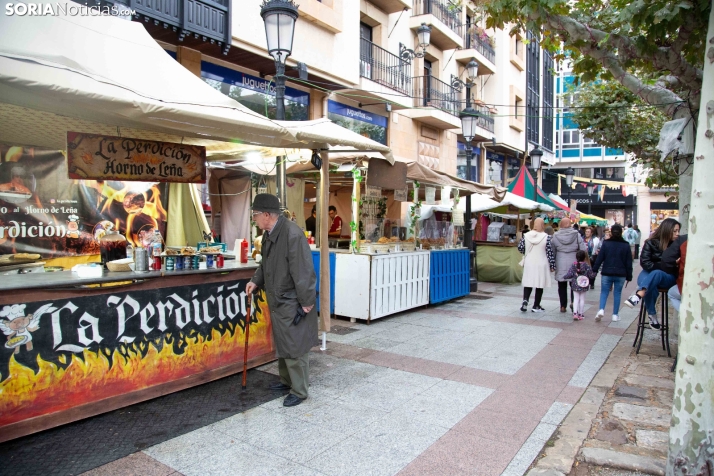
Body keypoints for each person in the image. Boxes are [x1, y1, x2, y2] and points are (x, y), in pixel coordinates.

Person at [245, 194, 317, 407]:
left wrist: (306, 302)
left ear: (267, 215)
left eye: (255, 215)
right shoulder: (269, 233)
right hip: (279, 298)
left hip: (292, 300)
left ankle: (300, 390)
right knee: (283, 341)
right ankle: (286, 381)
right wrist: (255, 280)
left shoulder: (292, 234)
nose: (254, 219)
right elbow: (266, 263)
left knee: (295, 346)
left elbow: (303, 271)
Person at [624, 218, 681, 330]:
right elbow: (645, 263)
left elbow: (676, 267)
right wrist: (666, 264)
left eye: (678, 231)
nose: (677, 234)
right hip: (649, 273)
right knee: (650, 282)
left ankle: (638, 295)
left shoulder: (678, 245)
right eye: (674, 231)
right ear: (666, 230)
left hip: (668, 277)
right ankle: (652, 315)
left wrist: (668, 265)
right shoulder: (650, 242)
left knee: (656, 273)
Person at [592, 224, 632, 322]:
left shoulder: (606, 243)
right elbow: (628, 262)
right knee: (617, 293)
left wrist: (595, 270)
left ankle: (601, 309)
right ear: (621, 232)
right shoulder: (626, 245)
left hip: (607, 272)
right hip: (621, 273)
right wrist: (629, 276)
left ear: (611, 232)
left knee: (604, 292)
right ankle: (615, 314)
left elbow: (600, 258)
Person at [517, 217, 555, 312]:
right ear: (542, 225)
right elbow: (550, 252)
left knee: (528, 282)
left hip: (529, 262)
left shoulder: (526, 235)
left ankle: (525, 300)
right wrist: (552, 265)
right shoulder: (546, 237)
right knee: (539, 284)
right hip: (542, 262)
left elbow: (520, 248)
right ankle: (536, 305)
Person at [551, 217, 588, 312]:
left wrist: (554, 261)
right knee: (574, 283)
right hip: (574, 260)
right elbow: (583, 248)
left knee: (561, 284)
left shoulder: (555, 235)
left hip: (560, 260)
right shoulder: (576, 234)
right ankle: (573, 302)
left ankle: (563, 306)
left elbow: (553, 249)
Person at [562, 250, 597, 320]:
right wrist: (595, 272)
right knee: (582, 299)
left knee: (576, 299)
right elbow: (591, 275)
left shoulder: (574, 265)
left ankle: (575, 313)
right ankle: (581, 314)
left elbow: (570, 274)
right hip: (584, 285)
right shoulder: (587, 266)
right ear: (584, 258)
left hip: (575, 284)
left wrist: (564, 276)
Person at [667, 238, 688, 312]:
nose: (677, 234)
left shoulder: (686, 244)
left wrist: (677, 263)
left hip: (688, 284)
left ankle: (684, 316)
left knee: (671, 293)